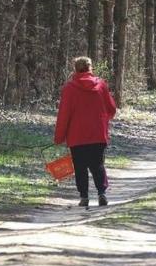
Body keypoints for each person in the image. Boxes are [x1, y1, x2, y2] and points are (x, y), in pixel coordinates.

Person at [54, 57, 117, 207]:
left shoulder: (69, 88)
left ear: (75, 69)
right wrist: (103, 119)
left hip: (77, 135)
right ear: (90, 68)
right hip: (97, 133)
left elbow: (64, 114)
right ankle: (102, 193)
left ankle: (84, 197)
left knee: (80, 167)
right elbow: (112, 109)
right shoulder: (101, 85)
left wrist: (59, 137)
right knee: (98, 165)